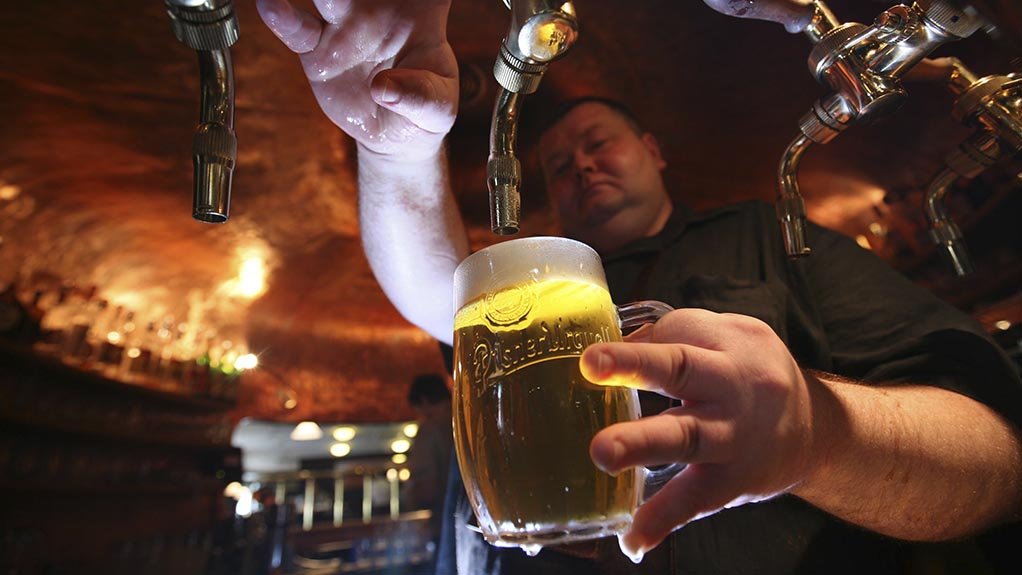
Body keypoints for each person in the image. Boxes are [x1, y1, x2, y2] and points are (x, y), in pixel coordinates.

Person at [256, 1, 1022, 573]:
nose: (581, 166)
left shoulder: (766, 234)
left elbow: (999, 463)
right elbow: (435, 289)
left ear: (653, 151)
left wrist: (817, 431)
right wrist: (393, 149)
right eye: (559, 166)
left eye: (599, 145)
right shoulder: (536, 289)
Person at [405, 373, 454, 547]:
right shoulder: (465, 420)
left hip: (444, 522)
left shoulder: (428, 431)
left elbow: (426, 487)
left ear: (424, 402)